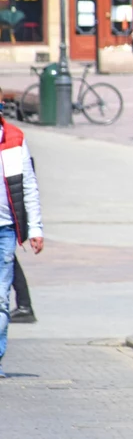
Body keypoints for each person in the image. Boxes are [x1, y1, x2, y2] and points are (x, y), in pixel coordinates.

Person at [0, 113, 44, 378]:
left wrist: (35, 228)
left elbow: (28, 185)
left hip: (4, 230)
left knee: (1, 300)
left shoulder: (14, 140)